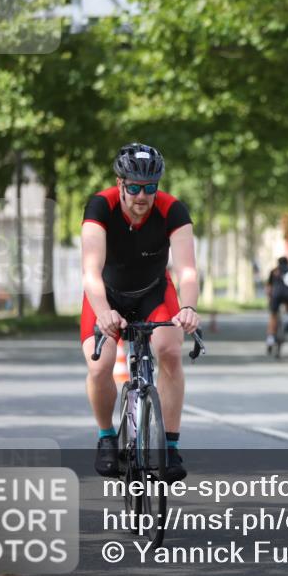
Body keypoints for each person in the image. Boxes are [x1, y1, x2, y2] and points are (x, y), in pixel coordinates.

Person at [81, 143, 200, 482]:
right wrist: (104, 313)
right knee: (99, 363)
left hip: (153, 292)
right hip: (106, 294)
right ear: (120, 183)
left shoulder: (173, 210)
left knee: (170, 350)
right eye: (133, 187)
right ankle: (106, 437)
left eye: (150, 188)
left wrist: (189, 307)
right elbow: (90, 273)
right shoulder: (100, 206)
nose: (141, 196)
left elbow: (187, 271)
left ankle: (170, 446)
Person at [266, 256, 288, 352]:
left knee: (273, 316)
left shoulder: (274, 271)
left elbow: (269, 287)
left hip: (276, 295)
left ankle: (270, 340)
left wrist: (269, 298)